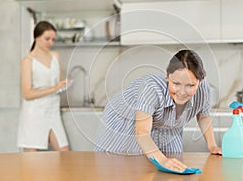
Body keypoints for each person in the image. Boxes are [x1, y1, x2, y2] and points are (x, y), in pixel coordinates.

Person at [94, 49, 222, 172]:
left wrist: (212, 146)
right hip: (125, 123)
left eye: (190, 85)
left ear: (199, 81)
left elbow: (203, 116)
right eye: (176, 84)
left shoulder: (204, 89)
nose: (182, 92)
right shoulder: (151, 88)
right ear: (167, 77)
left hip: (167, 128)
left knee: (172, 166)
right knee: (123, 169)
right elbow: (142, 132)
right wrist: (162, 160)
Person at [17, 21, 69, 152]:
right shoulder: (28, 61)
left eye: (53, 39)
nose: (51, 43)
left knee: (66, 156)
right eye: (47, 39)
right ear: (36, 37)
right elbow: (27, 94)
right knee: (32, 164)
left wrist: (64, 85)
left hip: (53, 112)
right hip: (34, 114)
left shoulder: (55, 56)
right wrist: (55, 88)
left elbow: (59, 81)